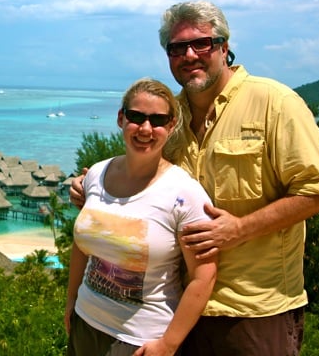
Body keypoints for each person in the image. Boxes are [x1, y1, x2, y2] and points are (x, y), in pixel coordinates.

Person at [70, 0, 319, 356]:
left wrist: (240, 228)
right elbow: (147, 180)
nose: (189, 55)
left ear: (224, 46)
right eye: (177, 48)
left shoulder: (275, 103)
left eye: (201, 43)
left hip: (252, 309)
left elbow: (318, 190)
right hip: (180, 312)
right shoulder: (170, 115)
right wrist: (95, 190)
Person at [66, 78, 218, 356]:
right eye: (136, 117)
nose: (146, 129)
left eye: (158, 120)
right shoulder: (97, 174)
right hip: (86, 322)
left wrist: (169, 344)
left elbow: (204, 277)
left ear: (171, 126)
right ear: (121, 119)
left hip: (139, 340)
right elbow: (82, 246)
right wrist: (71, 302)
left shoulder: (185, 194)